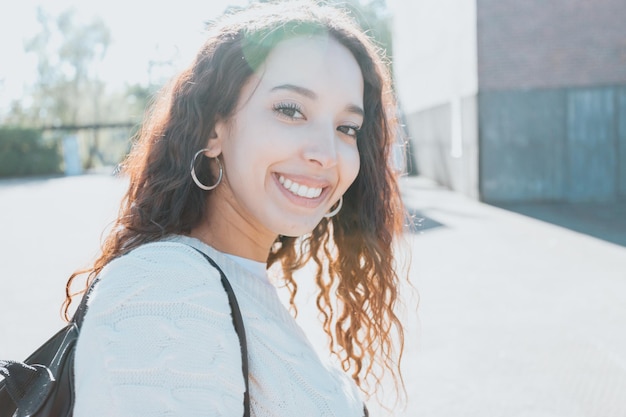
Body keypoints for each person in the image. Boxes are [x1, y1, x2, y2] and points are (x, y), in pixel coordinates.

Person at [65, 1, 408, 415]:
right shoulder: (165, 292)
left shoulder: (229, 280)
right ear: (213, 130)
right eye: (290, 110)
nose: (326, 153)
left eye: (346, 128)